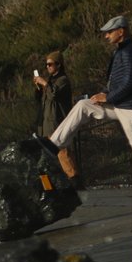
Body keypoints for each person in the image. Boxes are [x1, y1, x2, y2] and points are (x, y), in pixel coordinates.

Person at [41, 14, 132, 204]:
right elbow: (117, 83)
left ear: (121, 31)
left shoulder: (130, 53)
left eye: (109, 32)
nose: (106, 36)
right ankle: (54, 144)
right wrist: (103, 94)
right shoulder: (121, 52)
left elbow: (129, 83)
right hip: (121, 105)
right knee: (84, 105)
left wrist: (107, 96)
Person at [33, 50, 75, 181]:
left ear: (59, 64)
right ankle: (47, 185)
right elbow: (40, 100)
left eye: (50, 64)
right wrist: (39, 88)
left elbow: (54, 95)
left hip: (57, 123)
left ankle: (75, 180)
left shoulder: (63, 80)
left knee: (63, 153)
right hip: (46, 124)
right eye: (46, 64)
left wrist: (45, 84)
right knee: (44, 159)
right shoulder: (51, 81)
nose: (48, 67)